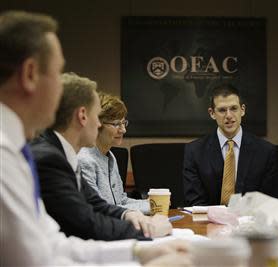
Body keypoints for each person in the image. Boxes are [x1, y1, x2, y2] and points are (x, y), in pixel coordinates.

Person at [0, 10, 188, 266]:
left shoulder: (17, 150)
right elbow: (35, 260)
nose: (61, 89)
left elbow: (53, 245)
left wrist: (137, 253)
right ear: (30, 74)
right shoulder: (8, 155)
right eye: (57, 72)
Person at [31, 72, 171, 240]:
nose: (98, 124)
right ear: (82, 116)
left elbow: (95, 204)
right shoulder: (49, 159)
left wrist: (126, 214)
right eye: (96, 116)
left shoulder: (62, 153)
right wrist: (148, 230)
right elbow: (85, 223)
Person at [183, 84, 276, 206]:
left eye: (233, 108)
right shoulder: (194, 151)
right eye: (222, 110)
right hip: (208, 222)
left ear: (242, 110)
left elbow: (267, 200)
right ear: (212, 113)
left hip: (249, 222)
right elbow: (195, 201)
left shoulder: (265, 151)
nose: (229, 115)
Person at [78, 92, 149, 214]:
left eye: (123, 123)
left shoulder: (110, 157)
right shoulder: (85, 160)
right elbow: (100, 210)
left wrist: (151, 204)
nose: (123, 129)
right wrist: (151, 207)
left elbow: (121, 201)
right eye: (116, 124)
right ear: (98, 124)